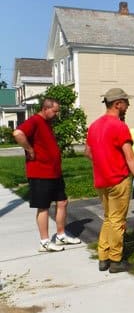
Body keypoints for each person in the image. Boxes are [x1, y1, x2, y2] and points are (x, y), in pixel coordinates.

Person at [85, 88, 134, 273]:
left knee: (109, 219)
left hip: (101, 180)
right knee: (118, 221)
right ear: (118, 104)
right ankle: (116, 260)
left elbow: (88, 151)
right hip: (118, 179)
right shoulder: (119, 126)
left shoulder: (94, 125)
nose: (128, 106)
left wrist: (103, 161)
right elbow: (130, 157)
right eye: (126, 102)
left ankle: (103, 258)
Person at [13, 98, 81, 252]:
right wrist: (29, 149)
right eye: (55, 111)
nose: (57, 114)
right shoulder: (35, 121)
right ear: (45, 108)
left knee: (62, 202)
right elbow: (18, 133)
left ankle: (61, 235)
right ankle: (44, 242)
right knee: (43, 207)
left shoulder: (47, 123)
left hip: (54, 172)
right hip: (40, 172)